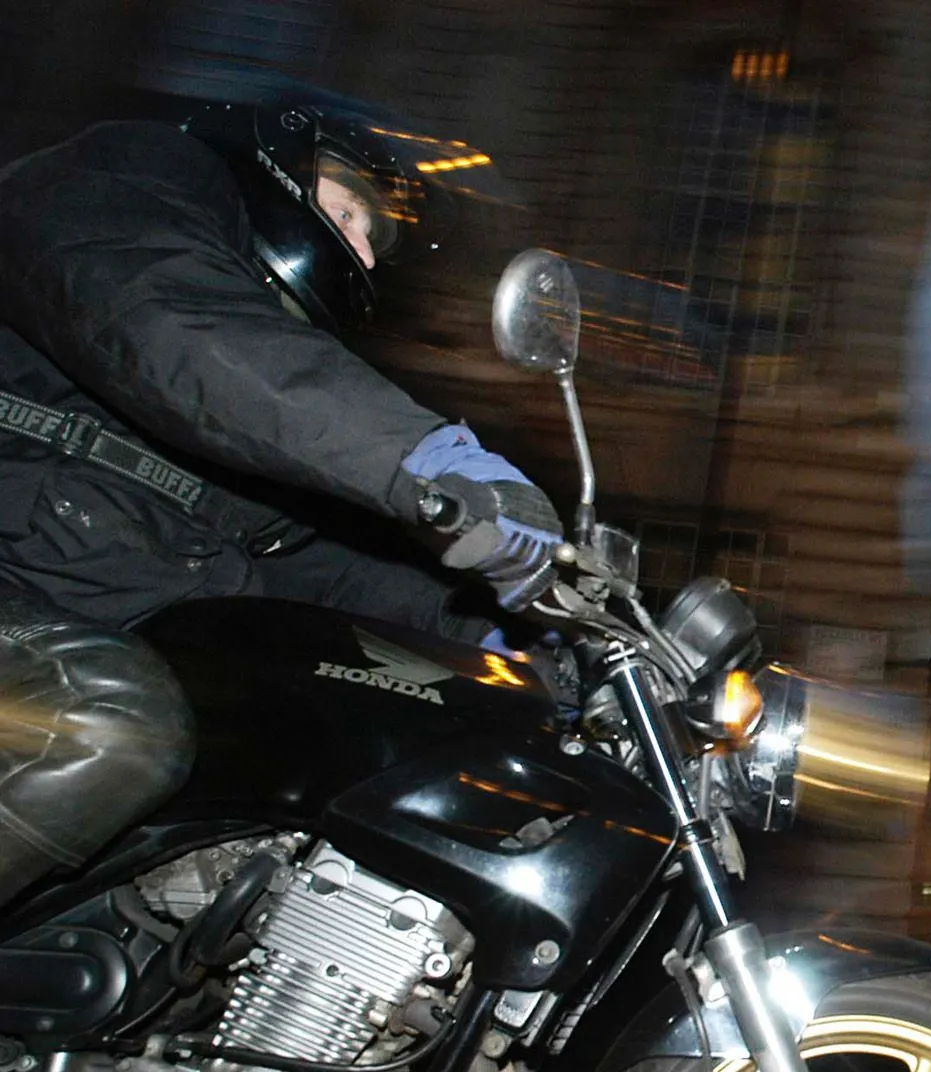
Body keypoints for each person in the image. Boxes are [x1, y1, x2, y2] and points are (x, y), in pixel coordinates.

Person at [0, 100, 563, 910]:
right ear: (275, 166)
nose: (362, 254)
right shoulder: (125, 180)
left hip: (78, 614)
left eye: (372, 241)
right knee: (105, 722)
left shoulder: (222, 447)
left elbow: (322, 570)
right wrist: (423, 460)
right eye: (348, 213)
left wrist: (510, 641)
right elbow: (170, 323)